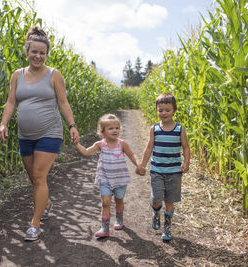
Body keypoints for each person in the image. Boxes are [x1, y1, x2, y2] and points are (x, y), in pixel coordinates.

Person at [0, 26, 79, 242]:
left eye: (42, 53)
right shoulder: (17, 75)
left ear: (46, 54)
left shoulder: (54, 75)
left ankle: (34, 224)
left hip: (49, 133)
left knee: (39, 176)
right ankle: (46, 204)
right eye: (34, 51)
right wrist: (3, 124)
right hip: (25, 135)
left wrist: (72, 125)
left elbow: (63, 102)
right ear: (27, 51)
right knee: (34, 178)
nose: (38, 56)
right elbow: (11, 102)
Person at [74, 114, 139, 237]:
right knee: (105, 203)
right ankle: (104, 228)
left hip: (120, 179)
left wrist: (138, 164)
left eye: (117, 128)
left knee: (119, 200)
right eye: (110, 128)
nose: (115, 130)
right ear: (102, 132)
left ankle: (119, 219)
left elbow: (131, 155)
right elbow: (86, 152)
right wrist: (77, 144)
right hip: (105, 179)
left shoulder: (122, 144)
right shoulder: (100, 144)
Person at [137, 93, 190, 241]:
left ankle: (167, 227)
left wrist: (186, 162)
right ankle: (155, 213)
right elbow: (148, 148)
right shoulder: (154, 129)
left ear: (174, 111)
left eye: (167, 110)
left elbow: (185, 147)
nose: (164, 113)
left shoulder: (180, 129)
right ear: (156, 110)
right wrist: (142, 165)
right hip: (157, 171)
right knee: (156, 199)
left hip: (174, 172)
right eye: (160, 110)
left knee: (169, 201)